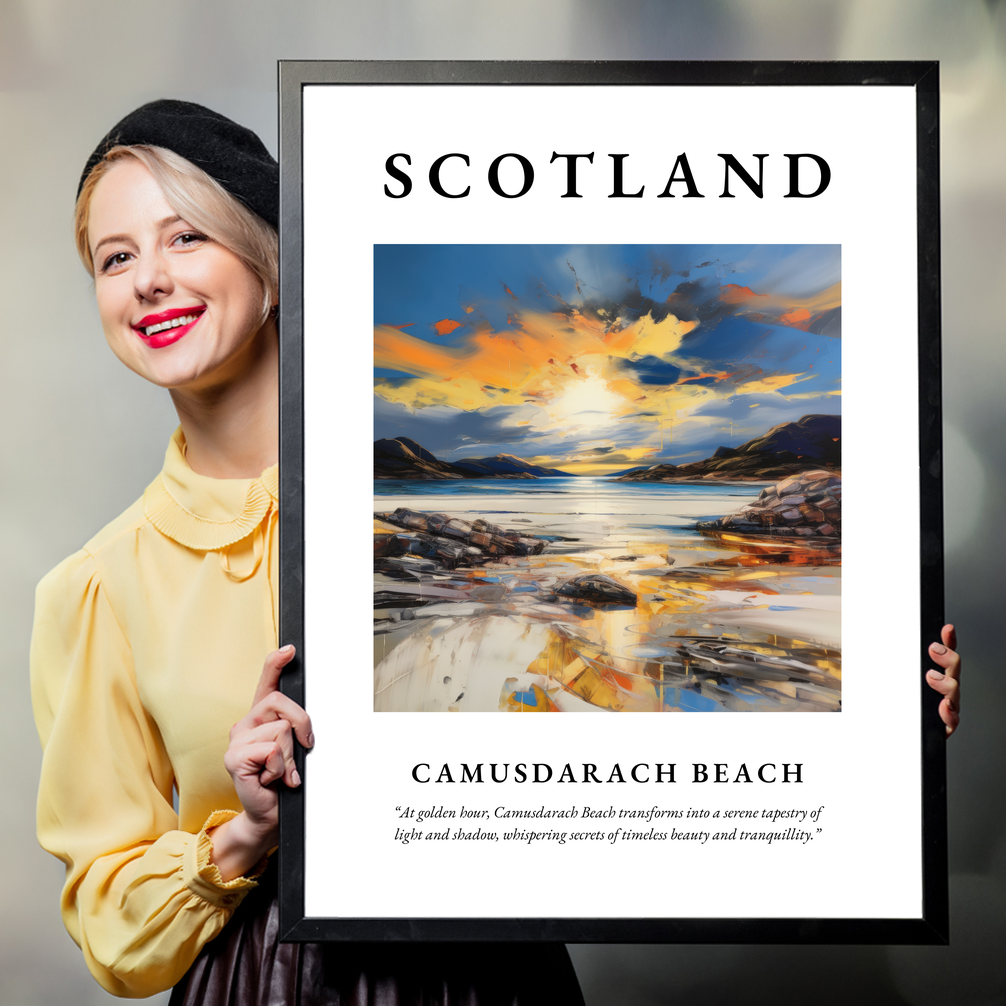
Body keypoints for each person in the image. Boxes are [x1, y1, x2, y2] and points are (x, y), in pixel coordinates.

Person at [30, 100, 585, 1004]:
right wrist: (245, 832)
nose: (148, 281)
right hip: (263, 981)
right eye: (116, 257)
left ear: (274, 264)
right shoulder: (97, 587)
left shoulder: (434, 514)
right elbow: (110, 924)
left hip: (493, 973)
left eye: (185, 239)